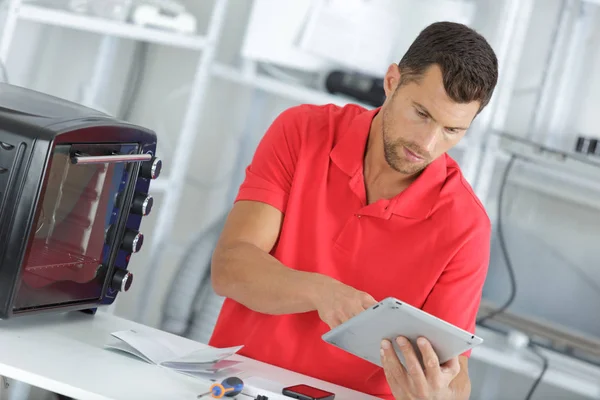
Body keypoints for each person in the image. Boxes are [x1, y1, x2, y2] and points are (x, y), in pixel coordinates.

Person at [209, 21, 498, 400]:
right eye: (422, 114)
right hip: (236, 388)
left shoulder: (466, 225)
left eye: (451, 130)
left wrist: (439, 394)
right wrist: (321, 292)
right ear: (392, 81)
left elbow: (454, 373)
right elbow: (230, 268)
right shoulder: (302, 131)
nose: (427, 144)